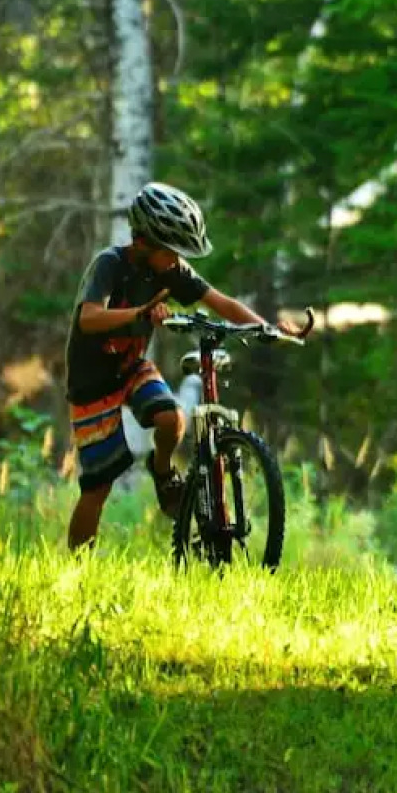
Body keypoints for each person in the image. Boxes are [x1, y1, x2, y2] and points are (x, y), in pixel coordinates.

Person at [63, 181, 308, 551]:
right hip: (92, 382)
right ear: (145, 242)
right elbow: (88, 318)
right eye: (172, 251)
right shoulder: (110, 265)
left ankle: (162, 474)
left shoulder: (171, 271)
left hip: (131, 367)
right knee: (99, 484)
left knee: (171, 418)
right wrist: (140, 314)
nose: (178, 261)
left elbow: (220, 302)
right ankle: (77, 569)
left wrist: (267, 328)